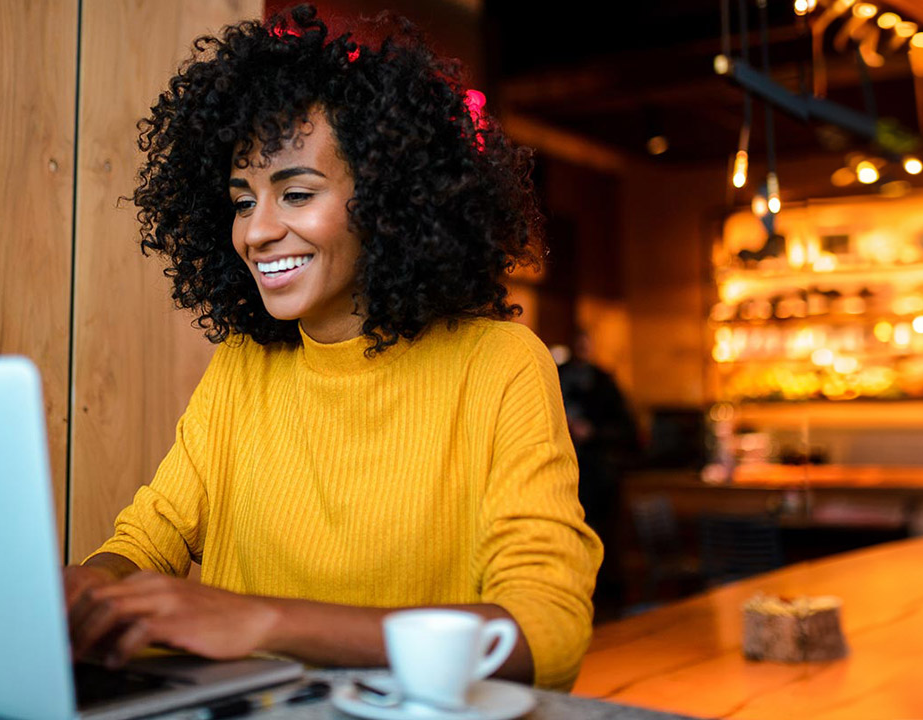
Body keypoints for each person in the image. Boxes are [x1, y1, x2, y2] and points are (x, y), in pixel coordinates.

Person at [63, 5, 601, 691]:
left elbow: (545, 632)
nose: (256, 232)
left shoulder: (499, 365)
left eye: (295, 193)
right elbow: (148, 539)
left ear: (384, 201)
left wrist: (263, 622)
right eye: (242, 200)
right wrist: (86, 593)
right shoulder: (243, 366)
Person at [556, 329, 637, 619]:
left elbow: (629, 431)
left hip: (596, 476)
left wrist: (592, 433)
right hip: (558, 473)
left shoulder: (604, 381)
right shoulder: (554, 373)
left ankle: (597, 598)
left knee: (598, 535)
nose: (582, 349)